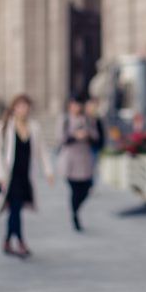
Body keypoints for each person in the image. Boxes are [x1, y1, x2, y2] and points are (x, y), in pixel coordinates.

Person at [0, 95, 54, 257]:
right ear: (14, 107)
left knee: (15, 209)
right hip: (9, 176)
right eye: (20, 106)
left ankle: (6, 241)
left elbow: (42, 151)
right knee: (16, 208)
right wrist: (0, 174)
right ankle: (20, 242)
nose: (23, 109)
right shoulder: (5, 126)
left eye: (26, 106)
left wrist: (48, 172)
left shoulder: (34, 127)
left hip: (26, 175)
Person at [57, 95, 99, 232]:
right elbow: (60, 138)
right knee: (75, 189)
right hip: (70, 160)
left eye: (78, 104)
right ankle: (74, 214)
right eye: (74, 104)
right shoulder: (64, 120)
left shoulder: (87, 119)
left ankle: (76, 209)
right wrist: (75, 135)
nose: (76, 107)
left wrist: (87, 134)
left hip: (85, 159)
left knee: (86, 188)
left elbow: (96, 136)